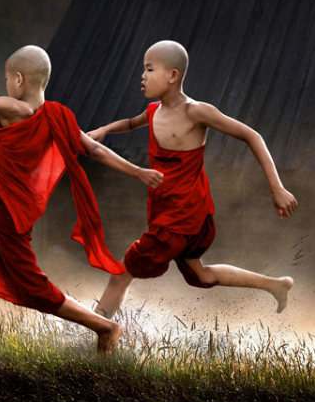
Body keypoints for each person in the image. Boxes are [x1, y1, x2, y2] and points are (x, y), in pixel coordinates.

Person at [0, 46, 164, 356]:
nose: (6, 85)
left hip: (8, 214)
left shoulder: (13, 108)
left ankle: (105, 326)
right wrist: (137, 171)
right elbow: (95, 150)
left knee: (33, 287)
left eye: (6, 79)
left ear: (19, 79)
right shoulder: (59, 115)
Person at [87, 40, 298, 319]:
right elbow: (129, 123)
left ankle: (98, 337)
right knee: (202, 275)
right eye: (143, 69)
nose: (143, 75)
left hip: (181, 217)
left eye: (150, 69)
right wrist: (103, 129)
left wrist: (277, 186)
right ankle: (276, 285)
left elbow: (252, 136)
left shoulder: (195, 112)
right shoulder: (152, 112)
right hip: (173, 214)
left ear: (173, 76)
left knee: (121, 272)